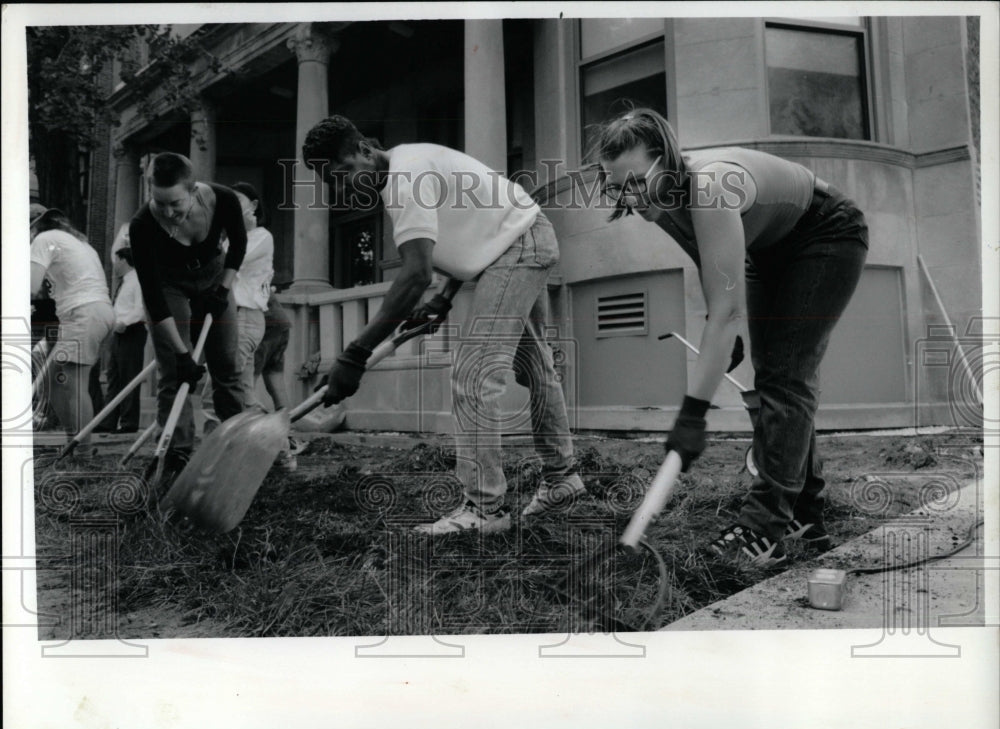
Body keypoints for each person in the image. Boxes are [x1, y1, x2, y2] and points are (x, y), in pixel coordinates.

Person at [592, 108, 869, 565]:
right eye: (616, 186)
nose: (630, 197)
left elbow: (725, 311)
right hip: (766, 249)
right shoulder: (657, 201)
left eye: (637, 181)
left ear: (667, 161)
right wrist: (727, 329)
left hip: (826, 232)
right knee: (774, 376)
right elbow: (712, 260)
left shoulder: (708, 186)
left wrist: (693, 415)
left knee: (784, 374)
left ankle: (764, 528)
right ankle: (804, 513)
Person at [302, 115, 582, 534]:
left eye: (342, 173)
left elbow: (414, 274)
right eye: (331, 182)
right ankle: (563, 480)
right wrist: (445, 296)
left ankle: (485, 509)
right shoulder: (407, 166)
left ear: (363, 149)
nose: (341, 187)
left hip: (519, 246)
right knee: (533, 366)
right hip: (519, 239)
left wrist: (354, 354)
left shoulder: (405, 177)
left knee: (473, 375)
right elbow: (472, 232)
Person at [128, 152, 247, 476]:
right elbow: (154, 297)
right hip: (169, 286)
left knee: (227, 368)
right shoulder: (142, 226)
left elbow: (238, 244)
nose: (168, 213)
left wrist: (222, 290)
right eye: (159, 203)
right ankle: (176, 455)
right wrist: (182, 355)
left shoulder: (222, 199)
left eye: (175, 204)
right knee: (173, 374)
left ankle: (237, 444)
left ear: (193, 191)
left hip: (214, 274)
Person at [29, 204, 114, 455]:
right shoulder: (78, 242)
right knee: (54, 381)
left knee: (74, 384)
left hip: (83, 313)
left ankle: (82, 453)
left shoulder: (43, 239)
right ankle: (73, 444)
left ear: (34, 227)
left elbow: (31, 287)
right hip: (97, 311)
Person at [201, 181, 273, 434]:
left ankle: (213, 455)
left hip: (245, 317)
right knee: (243, 395)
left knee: (216, 391)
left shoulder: (261, 237)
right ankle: (282, 449)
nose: (230, 207)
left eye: (237, 201)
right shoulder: (228, 239)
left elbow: (230, 263)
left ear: (253, 206)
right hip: (229, 317)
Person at [96, 225, 148, 433]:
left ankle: (129, 422)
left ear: (125, 261)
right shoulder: (125, 282)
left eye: (117, 260)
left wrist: (124, 322)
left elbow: (141, 309)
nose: (115, 265)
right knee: (114, 377)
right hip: (118, 334)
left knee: (129, 376)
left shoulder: (137, 282)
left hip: (132, 332)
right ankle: (109, 420)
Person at [252, 286, 297, 471]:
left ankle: (276, 449)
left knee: (244, 388)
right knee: (276, 383)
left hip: (261, 324)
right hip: (280, 323)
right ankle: (288, 438)